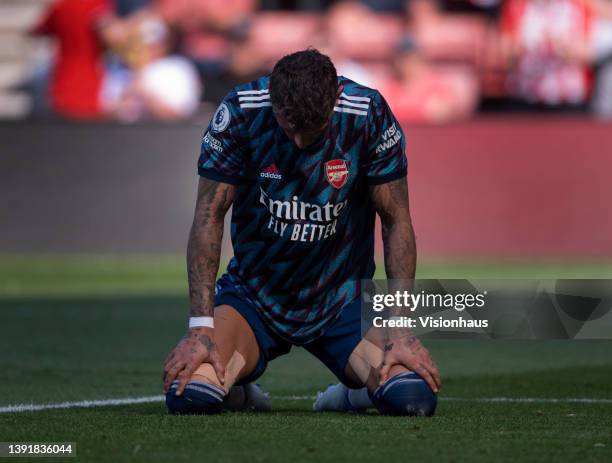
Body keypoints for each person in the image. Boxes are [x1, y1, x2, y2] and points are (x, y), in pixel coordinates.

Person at [162, 49, 441, 416]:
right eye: (287, 126)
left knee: (412, 398)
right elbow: (208, 215)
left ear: (335, 100)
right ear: (272, 101)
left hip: (342, 300)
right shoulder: (242, 112)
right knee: (189, 395)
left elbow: (396, 219)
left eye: (312, 129)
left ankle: (351, 395)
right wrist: (200, 326)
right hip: (255, 298)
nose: (297, 142)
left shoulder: (367, 114)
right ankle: (241, 393)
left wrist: (402, 327)